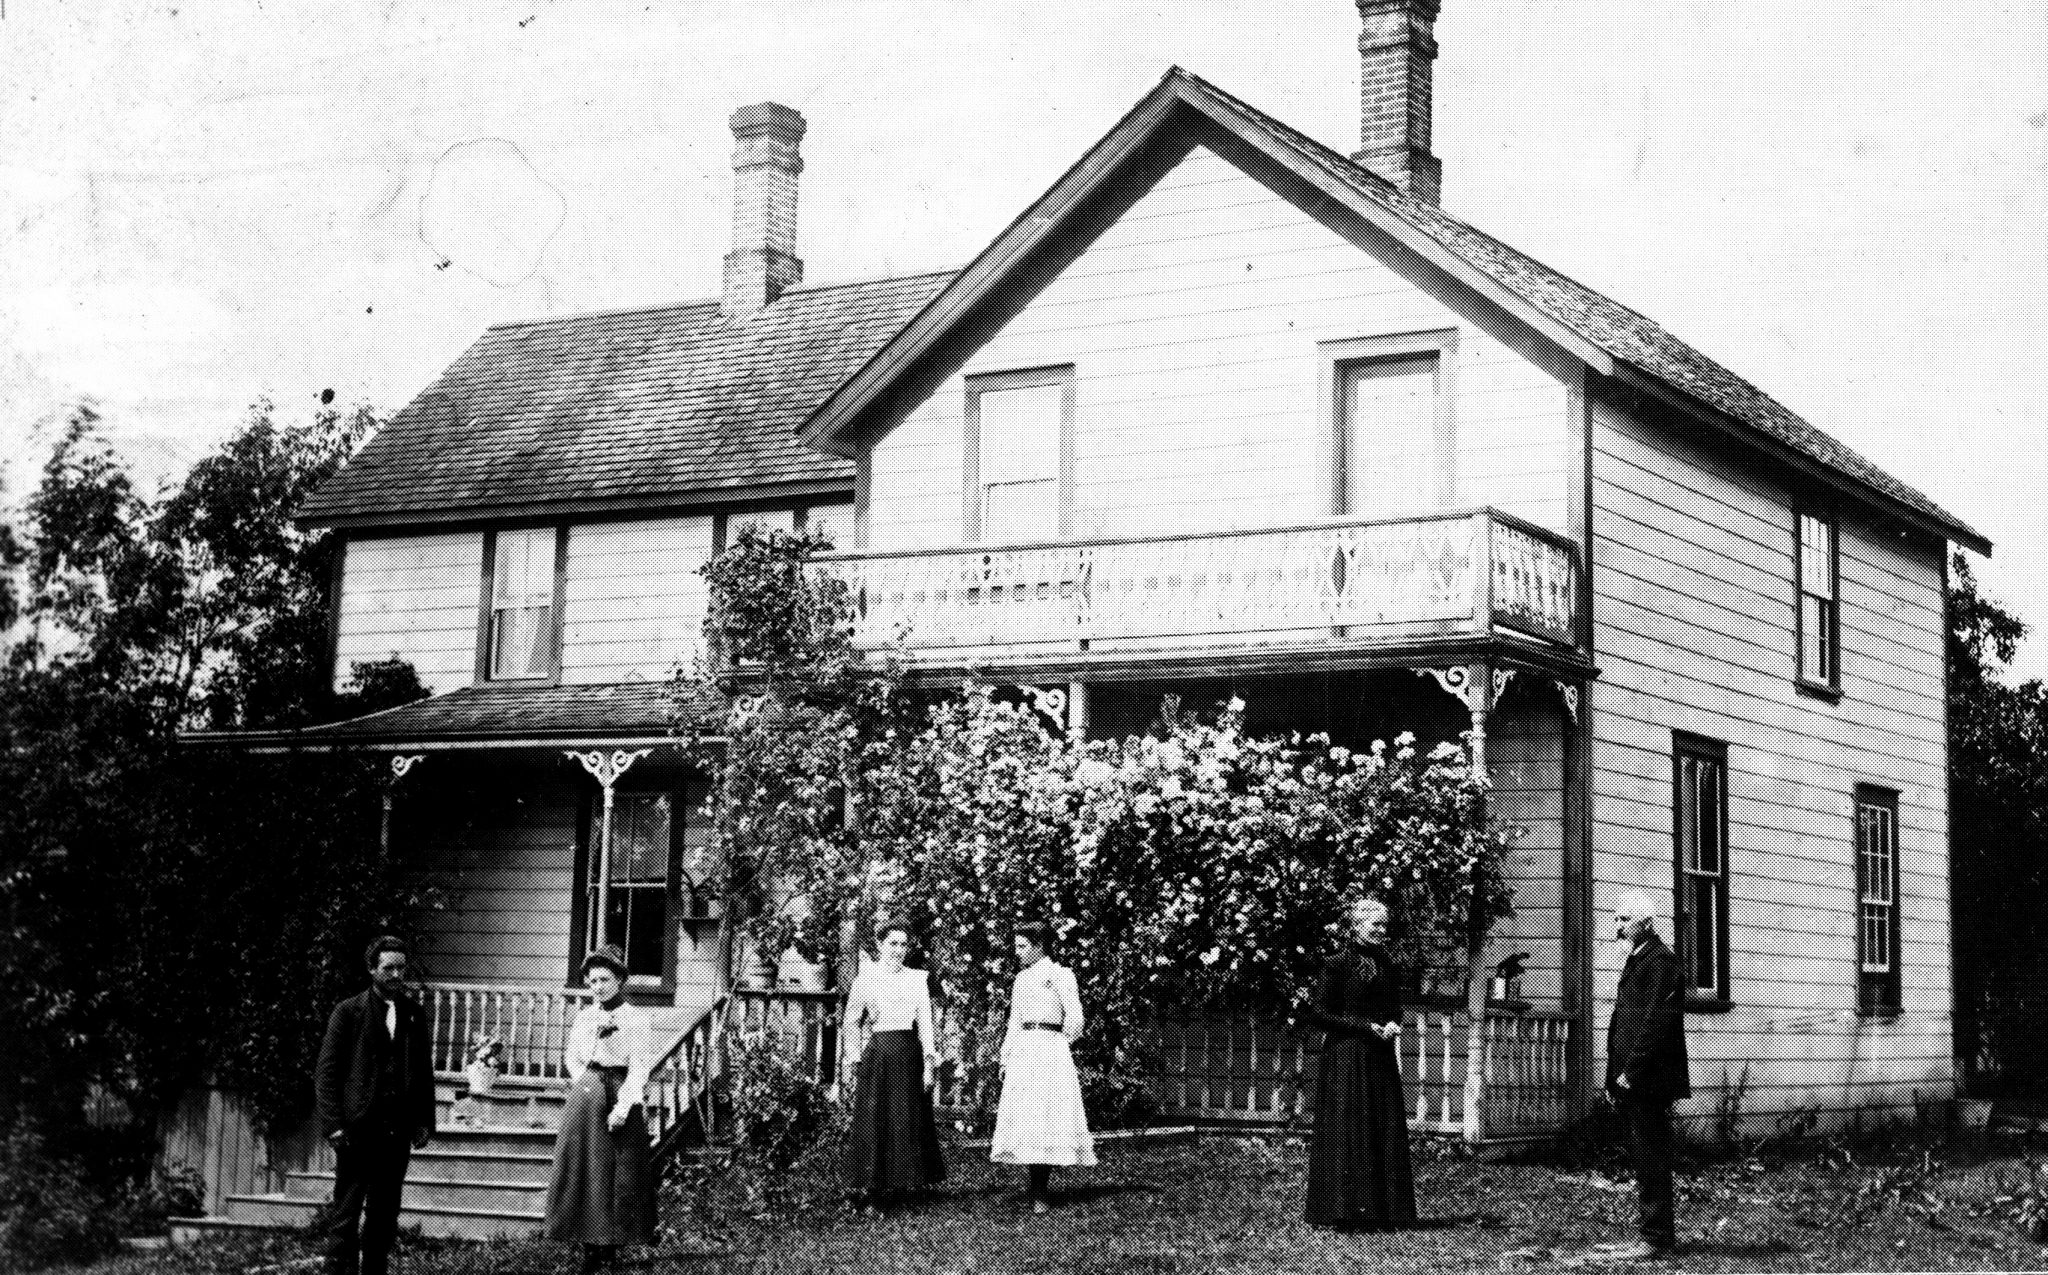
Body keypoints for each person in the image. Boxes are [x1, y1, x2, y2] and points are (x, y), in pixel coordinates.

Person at [315, 936, 435, 1275]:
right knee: (346, 1213)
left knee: (384, 1214)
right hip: (357, 1130)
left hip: (396, 1132)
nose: (397, 975)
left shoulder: (413, 1013)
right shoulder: (348, 1012)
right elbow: (326, 1074)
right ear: (372, 970)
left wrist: (424, 1120)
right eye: (388, 968)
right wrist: (334, 1124)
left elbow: (423, 1072)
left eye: (401, 968)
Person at [1301, 897, 1416, 1230]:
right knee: (1349, 1130)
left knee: (1382, 1128)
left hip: (1379, 1057)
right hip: (1346, 1058)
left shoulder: (1389, 965)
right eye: (1374, 924)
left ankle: (1384, 1212)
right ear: (1355, 926)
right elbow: (1320, 1014)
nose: (1381, 931)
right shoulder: (1335, 964)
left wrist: (1394, 1023)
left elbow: (1394, 1008)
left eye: (1384, 925)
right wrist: (1365, 1027)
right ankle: (1345, 1213)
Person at [543, 946, 656, 1273]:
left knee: (617, 1173)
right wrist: (586, 1085)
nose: (598, 987)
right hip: (588, 1095)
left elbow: (639, 1068)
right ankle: (588, 1245)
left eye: (605, 980)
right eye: (592, 981)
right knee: (586, 1170)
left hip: (622, 1090)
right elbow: (572, 1058)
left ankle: (610, 1245)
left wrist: (623, 1107)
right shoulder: (585, 1016)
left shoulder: (637, 1018)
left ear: (620, 980)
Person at [1603, 888, 1691, 1260]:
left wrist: (1631, 1072)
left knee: (1651, 1153)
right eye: (1618, 918)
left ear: (1647, 923)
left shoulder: (1662, 963)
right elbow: (1624, 1021)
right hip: (1630, 1077)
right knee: (1641, 1153)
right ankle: (1651, 1233)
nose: (1619, 926)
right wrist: (1614, 1074)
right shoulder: (1638, 959)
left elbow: (1656, 1023)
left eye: (1625, 919)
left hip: (1649, 1078)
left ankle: (1656, 1237)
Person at [838, 919, 946, 1211]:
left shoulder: (916, 979)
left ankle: (900, 1183)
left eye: (903, 944)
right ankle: (872, 1187)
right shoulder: (866, 979)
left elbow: (925, 1023)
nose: (898, 950)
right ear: (879, 944)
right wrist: (854, 1058)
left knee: (905, 1117)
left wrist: (928, 1061)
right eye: (892, 943)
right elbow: (850, 1023)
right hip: (878, 1054)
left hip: (908, 1052)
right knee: (876, 1118)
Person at [991, 921, 1096, 1213]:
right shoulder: (1021, 980)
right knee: (1028, 1116)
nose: (1018, 952)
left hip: (1050, 1050)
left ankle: (1041, 1192)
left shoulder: (1061, 975)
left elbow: (1076, 1018)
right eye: (1016, 946)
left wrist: (1059, 1045)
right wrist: (1006, 1056)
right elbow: (1014, 1022)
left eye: (1023, 946)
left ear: (1039, 947)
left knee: (1048, 1115)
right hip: (1024, 1051)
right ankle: (1034, 1187)